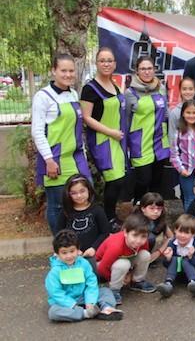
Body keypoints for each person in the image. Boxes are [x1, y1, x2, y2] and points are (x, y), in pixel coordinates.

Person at [31, 53, 90, 235]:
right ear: (53, 71)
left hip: (77, 157)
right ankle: (60, 243)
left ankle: (77, 240)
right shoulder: (43, 97)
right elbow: (37, 131)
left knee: (83, 198)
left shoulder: (73, 93)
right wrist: (49, 160)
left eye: (71, 71)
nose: (68, 75)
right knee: (57, 205)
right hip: (55, 159)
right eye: (63, 70)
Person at [80, 47, 128, 222]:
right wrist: (110, 132)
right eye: (102, 60)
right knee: (114, 179)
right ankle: (109, 218)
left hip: (117, 139)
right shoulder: (89, 88)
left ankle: (110, 215)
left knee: (119, 180)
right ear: (96, 63)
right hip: (102, 140)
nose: (106, 64)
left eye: (109, 60)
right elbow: (86, 117)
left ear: (115, 64)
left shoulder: (114, 85)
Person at [46, 230, 122, 322]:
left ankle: (107, 309)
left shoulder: (84, 263)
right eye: (64, 253)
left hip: (83, 296)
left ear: (78, 250)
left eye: (72, 251)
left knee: (105, 291)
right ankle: (86, 313)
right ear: (57, 254)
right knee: (53, 312)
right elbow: (55, 292)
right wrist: (72, 304)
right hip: (66, 301)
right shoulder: (55, 271)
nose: (69, 256)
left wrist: (90, 301)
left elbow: (91, 282)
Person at [126, 56, 170, 201]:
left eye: (149, 68)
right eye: (143, 69)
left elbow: (166, 113)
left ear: (154, 70)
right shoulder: (130, 93)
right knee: (143, 181)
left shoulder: (161, 88)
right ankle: (138, 209)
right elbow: (125, 121)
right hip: (141, 144)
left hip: (160, 143)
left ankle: (155, 215)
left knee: (156, 184)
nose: (146, 72)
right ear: (137, 71)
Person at [95, 213, 156, 305]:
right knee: (123, 264)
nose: (138, 241)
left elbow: (141, 257)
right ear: (126, 232)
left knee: (145, 255)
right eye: (135, 235)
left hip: (124, 261)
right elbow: (102, 269)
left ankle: (137, 281)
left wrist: (130, 275)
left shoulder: (142, 242)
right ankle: (114, 290)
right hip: (101, 265)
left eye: (143, 236)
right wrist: (119, 278)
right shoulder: (116, 246)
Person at [57, 175, 111, 265]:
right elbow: (59, 233)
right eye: (73, 193)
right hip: (71, 255)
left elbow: (105, 233)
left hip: (94, 253)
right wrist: (71, 250)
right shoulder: (65, 212)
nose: (79, 195)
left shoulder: (97, 210)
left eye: (82, 191)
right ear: (68, 194)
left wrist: (94, 248)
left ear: (89, 190)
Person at [155, 214, 195, 298]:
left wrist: (191, 257)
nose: (182, 235)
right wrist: (168, 258)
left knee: (185, 259)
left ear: (193, 234)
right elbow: (166, 265)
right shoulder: (172, 243)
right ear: (175, 231)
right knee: (175, 259)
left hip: (194, 274)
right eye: (180, 231)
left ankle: (194, 284)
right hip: (179, 276)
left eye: (186, 233)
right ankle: (168, 284)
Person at [135, 192, 172, 262]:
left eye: (159, 209)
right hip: (135, 251)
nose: (156, 211)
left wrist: (159, 252)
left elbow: (171, 237)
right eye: (152, 208)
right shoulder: (136, 220)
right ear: (143, 208)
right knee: (150, 238)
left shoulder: (159, 219)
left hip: (150, 251)